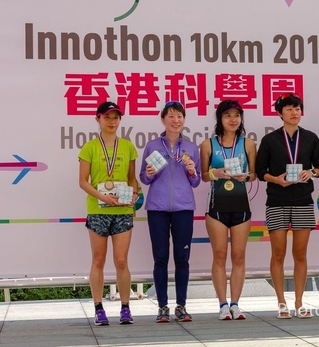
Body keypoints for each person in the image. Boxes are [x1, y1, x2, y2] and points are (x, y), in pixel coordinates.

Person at [255, 93, 319, 319]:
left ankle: (299, 302)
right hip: (277, 201)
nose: (295, 113)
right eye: (289, 109)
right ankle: (281, 302)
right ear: (279, 113)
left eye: (297, 109)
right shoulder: (270, 140)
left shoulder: (311, 138)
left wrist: (311, 172)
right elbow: (260, 171)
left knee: (300, 254)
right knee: (278, 254)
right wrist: (277, 180)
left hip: (303, 200)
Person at [78, 101, 139, 326]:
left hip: (122, 210)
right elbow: (83, 181)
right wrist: (102, 197)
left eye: (116, 118)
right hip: (98, 210)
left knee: (121, 260)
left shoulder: (128, 146)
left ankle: (125, 307)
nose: (112, 122)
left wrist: (135, 194)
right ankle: (98, 308)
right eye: (107, 117)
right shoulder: (90, 147)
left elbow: (132, 179)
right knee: (99, 259)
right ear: (98, 119)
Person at [139, 101, 200, 323]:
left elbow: (196, 182)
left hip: (184, 208)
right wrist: (149, 173)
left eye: (179, 116)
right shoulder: (152, 146)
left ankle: (181, 306)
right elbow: (144, 178)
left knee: (182, 259)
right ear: (163, 119)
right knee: (160, 258)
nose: (176, 120)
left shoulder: (191, 148)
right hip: (157, 208)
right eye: (171, 116)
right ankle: (162, 307)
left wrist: (192, 172)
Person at [200, 100, 256, 320]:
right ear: (220, 119)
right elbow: (203, 176)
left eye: (236, 115)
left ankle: (235, 304)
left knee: (239, 256)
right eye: (228, 115)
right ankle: (223, 304)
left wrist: (246, 177)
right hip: (217, 207)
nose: (233, 120)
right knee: (220, 255)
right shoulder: (208, 144)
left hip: (241, 206)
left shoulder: (248, 144)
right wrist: (216, 173)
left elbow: (254, 174)